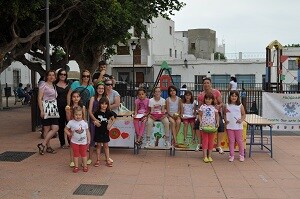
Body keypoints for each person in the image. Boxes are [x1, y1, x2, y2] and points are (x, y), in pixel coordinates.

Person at [197, 77, 225, 154]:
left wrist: (218, 106)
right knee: (197, 124)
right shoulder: (200, 95)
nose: (206, 84)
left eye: (207, 83)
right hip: (204, 114)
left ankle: (218, 146)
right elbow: (199, 107)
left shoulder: (216, 92)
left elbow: (221, 103)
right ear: (203, 85)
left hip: (215, 113)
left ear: (210, 84)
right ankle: (200, 144)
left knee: (221, 126)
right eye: (204, 83)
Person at [37, 70, 59, 155]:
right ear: (47, 76)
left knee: (55, 128)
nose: (51, 77)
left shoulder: (53, 85)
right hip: (46, 107)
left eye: (53, 75)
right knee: (46, 128)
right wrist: (41, 110)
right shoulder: (43, 85)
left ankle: (42, 144)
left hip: (53, 108)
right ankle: (48, 147)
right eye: (49, 75)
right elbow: (39, 98)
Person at [64, 106, 91, 173]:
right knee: (75, 154)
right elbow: (65, 129)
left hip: (83, 142)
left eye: (80, 115)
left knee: (84, 154)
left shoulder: (84, 123)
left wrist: (89, 139)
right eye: (76, 115)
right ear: (73, 115)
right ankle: (76, 166)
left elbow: (87, 131)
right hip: (74, 142)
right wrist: (69, 134)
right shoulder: (71, 122)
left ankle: (85, 166)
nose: (78, 116)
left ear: (82, 114)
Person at [93, 97, 117, 167]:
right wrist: (95, 122)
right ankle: (98, 160)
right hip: (98, 131)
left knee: (106, 146)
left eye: (106, 104)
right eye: (102, 104)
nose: (104, 105)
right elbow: (93, 120)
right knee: (98, 146)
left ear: (107, 105)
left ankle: (107, 159)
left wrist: (110, 125)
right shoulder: (97, 112)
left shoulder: (109, 112)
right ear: (99, 104)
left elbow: (114, 118)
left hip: (105, 132)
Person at [66, 90, 87, 167]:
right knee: (72, 145)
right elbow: (68, 119)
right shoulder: (69, 107)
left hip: (81, 128)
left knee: (82, 146)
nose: (76, 98)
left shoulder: (83, 107)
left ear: (80, 98)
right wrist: (67, 112)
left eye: (77, 96)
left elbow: (84, 118)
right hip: (72, 128)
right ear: (71, 98)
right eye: (74, 97)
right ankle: (72, 160)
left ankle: (82, 161)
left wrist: (85, 128)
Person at [224, 90, 246, 162]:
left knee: (240, 141)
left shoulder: (240, 105)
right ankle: (231, 155)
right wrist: (225, 120)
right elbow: (224, 114)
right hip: (229, 126)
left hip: (238, 126)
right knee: (231, 141)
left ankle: (241, 155)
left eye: (235, 96)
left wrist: (241, 120)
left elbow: (243, 114)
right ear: (230, 97)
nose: (234, 97)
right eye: (232, 96)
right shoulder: (226, 105)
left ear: (237, 97)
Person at [88, 81, 107, 164]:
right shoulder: (93, 98)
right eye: (99, 88)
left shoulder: (106, 98)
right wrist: (95, 120)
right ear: (96, 89)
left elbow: (108, 110)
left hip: (102, 122)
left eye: (102, 88)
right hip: (93, 122)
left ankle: (105, 158)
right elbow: (90, 111)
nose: (101, 90)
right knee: (92, 139)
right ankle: (89, 158)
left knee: (102, 140)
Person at [199, 92, 219, 163]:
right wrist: (200, 121)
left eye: (209, 99)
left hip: (212, 127)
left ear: (212, 100)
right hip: (204, 126)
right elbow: (200, 115)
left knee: (211, 141)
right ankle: (204, 156)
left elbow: (217, 115)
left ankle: (209, 156)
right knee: (205, 141)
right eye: (206, 99)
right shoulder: (202, 106)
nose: (208, 100)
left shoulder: (214, 107)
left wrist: (217, 122)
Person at [55, 69, 70, 149]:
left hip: (68, 107)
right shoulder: (55, 85)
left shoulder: (69, 84)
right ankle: (62, 143)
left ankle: (70, 141)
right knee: (61, 126)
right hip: (59, 107)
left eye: (64, 74)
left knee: (70, 124)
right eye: (61, 74)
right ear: (58, 75)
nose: (63, 75)